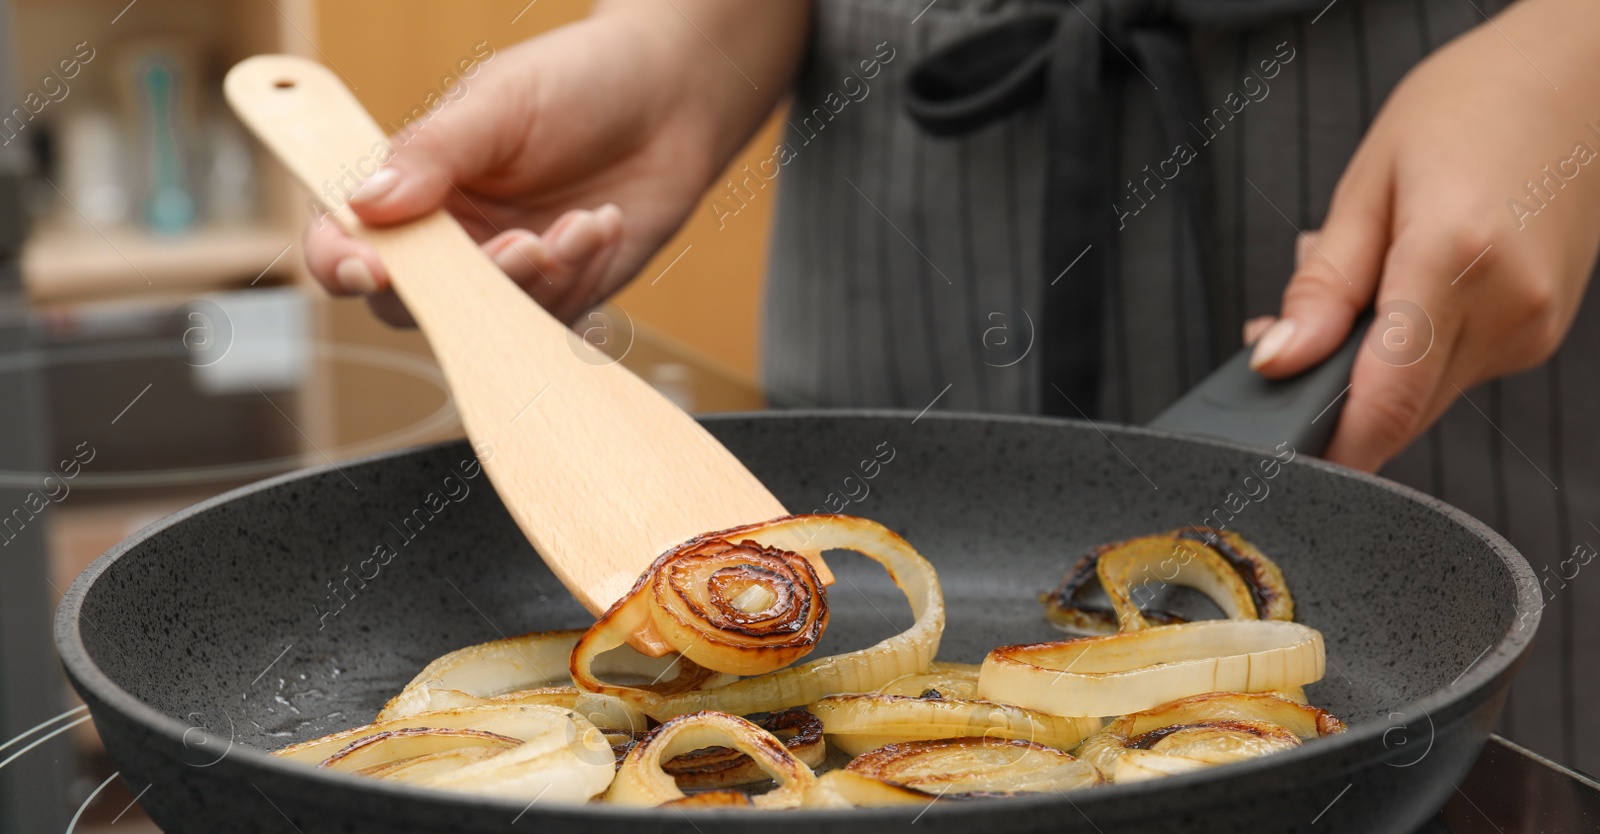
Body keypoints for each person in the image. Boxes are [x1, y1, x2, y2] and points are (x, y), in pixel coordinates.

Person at [304, 0, 1600, 773]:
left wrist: (1569, 66)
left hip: (1440, 156)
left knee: (1446, 820)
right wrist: (686, 47)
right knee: (836, 824)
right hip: (906, 186)